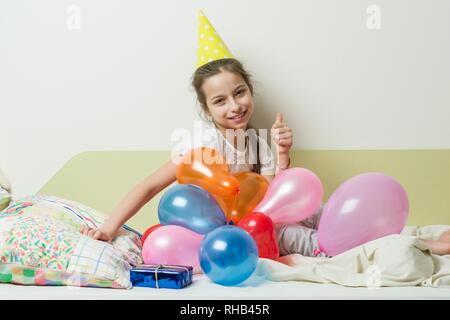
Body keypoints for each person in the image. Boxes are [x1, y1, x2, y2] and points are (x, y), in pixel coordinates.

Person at [82, 11, 450, 257]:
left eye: (239, 92)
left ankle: (407, 233)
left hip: (276, 213)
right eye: (220, 101)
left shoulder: (257, 137)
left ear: (250, 89)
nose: (234, 106)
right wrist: (108, 228)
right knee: (320, 243)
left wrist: (283, 153)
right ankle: (422, 245)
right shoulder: (200, 150)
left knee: (327, 213)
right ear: (207, 110)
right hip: (253, 229)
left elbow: (278, 192)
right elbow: (148, 187)